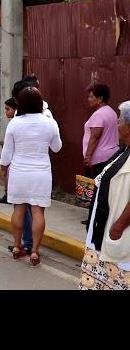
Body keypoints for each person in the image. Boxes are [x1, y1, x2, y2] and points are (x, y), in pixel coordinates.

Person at [0, 87, 62, 266]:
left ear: (20, 103)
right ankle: (34, 251)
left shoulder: (15, 123)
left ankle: (17, 246)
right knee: (38, 211)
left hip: (19, 172)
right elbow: (57, 147)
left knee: (18, 209)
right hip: (41, 173)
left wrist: (3, 168)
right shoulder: (50, 122)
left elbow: (7, 151)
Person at [79, 100, 130, 290]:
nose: (117, 124)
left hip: (118, 232)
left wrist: (118, 227)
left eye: (119, 121)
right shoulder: (123, 150)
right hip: (105, 226)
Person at [82, 83, 120, 225]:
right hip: (110, 154)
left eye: (92, 96)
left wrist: (88, 156)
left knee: (98, 189)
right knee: (103, 189)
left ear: (100, 98)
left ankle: (93, 218)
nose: (88, 99)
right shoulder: (111, 111)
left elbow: (95, 137)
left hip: (100, 158)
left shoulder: (99, 114)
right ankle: (97, 217)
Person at [0, 97, 17, 204]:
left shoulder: (14, 123)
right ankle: (8, 194)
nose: (6, 112)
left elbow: (9, 147)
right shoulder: (13, 122)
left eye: (8, 109)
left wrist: (3, 166)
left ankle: (9, 195)